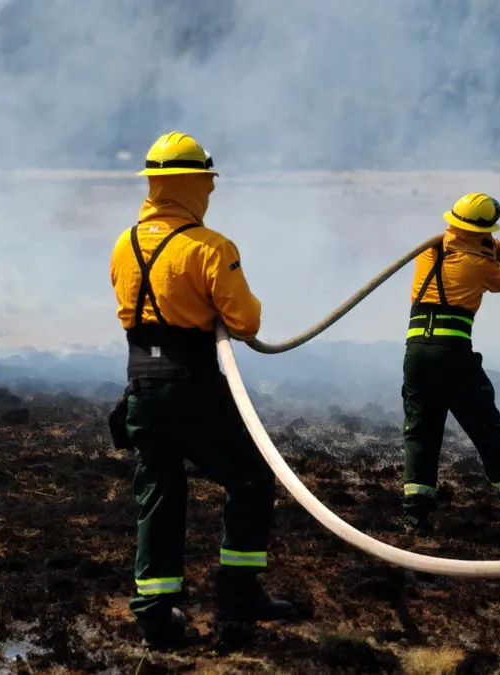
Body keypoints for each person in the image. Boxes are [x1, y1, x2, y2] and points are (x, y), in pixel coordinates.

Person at [108, 131, 295, 650]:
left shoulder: (125, 243)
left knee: (160, 495)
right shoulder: (211, 248)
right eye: (207, 184)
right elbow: (246, 319)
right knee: (252, 481)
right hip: (191, 385)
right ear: (195, 185)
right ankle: (237, 593)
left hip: (142, 383)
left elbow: (134, 314)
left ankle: (154, 613)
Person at [399, 192, 500, 534]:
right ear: (483, 230)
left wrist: (485, 245)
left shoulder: (428, 250)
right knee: (486, 430)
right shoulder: (480, 264)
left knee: (421, 432)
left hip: (416, 354)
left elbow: (460, 247)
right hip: (452, 356)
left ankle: (414, 515)